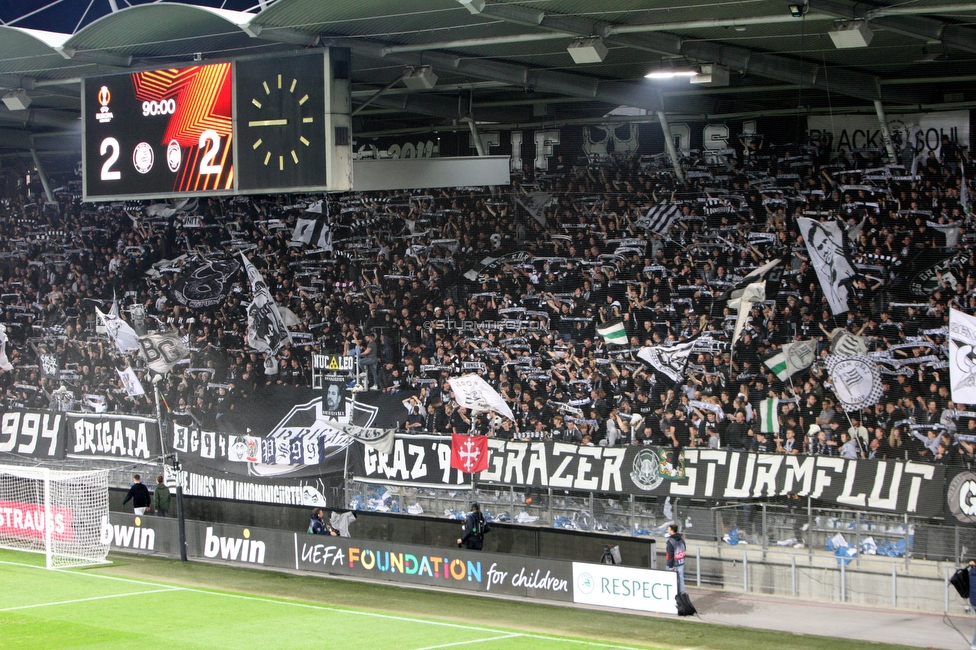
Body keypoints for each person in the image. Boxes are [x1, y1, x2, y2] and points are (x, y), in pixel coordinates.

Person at [666, 523, 686, 595]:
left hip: (673, 563)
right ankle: (682, 594)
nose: (668, 530)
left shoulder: (670, 541)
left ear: (672, 530)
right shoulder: (681, 538)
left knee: (670, 579)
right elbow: (684, 548)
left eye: (668, 529)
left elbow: (670, 554)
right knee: (681, 578)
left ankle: (672, 594)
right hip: (681, 561)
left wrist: (670, 566)